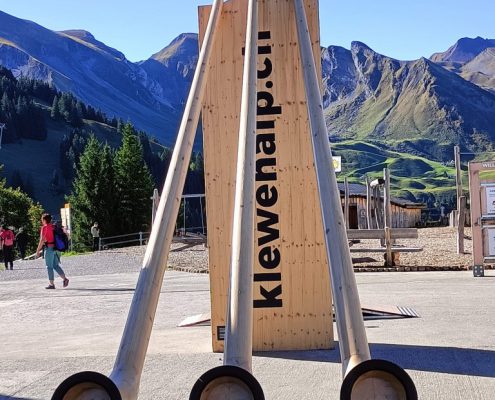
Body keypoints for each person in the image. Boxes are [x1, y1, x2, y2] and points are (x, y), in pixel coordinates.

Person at [36, 213, 69, 289]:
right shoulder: (54, 227)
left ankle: (51, 284)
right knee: (55, 265)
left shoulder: (44, 228)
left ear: (44, 220)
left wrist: (38, 250)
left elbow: (42, 240)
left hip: (49, 248)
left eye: (42, 219)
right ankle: (65, 279)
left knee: (49, 266)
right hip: (57, 249)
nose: (41, 221)